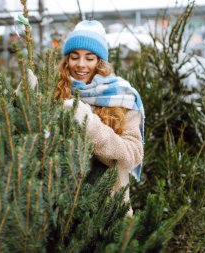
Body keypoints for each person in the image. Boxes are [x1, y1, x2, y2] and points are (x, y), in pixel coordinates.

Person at [55, 20, 145, 216]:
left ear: (99, 62)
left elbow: (133, 155)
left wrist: (90, 124)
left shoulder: (122, 96)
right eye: (74, 57)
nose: (81, 64)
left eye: (89, 58)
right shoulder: (56, 93)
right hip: (62, 209)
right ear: (66, 60)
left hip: (108, 208)